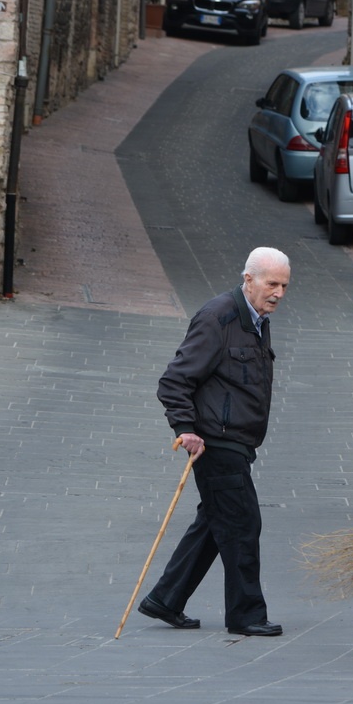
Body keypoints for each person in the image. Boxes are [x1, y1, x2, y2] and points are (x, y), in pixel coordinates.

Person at [137, 247, 291, 637]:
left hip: (239, 440)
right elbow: (174, 380)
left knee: (215, 521)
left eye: (284, 286)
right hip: (217, 442)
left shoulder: (257, 319)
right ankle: (246, 614)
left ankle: (166, 598)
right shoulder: (217, 318)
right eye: (272, 284)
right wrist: (184, 428)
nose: (278, 293)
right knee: (242, 524)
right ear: (249, 279)